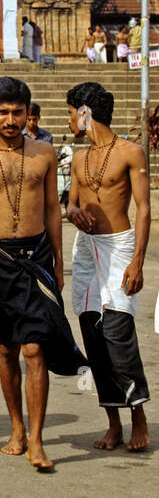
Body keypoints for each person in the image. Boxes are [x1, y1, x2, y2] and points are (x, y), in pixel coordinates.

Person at [0, 77, 85, 471]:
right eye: (3, 112)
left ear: (28, 113)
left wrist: (59, 263)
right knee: (6, 348)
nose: (10, 120)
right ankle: (16, 427)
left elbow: (52, 209)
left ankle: (37, 439)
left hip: (36, 256)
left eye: (17, 112)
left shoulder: (44, 153)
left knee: (35, 349)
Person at [66, 81, 150, 452]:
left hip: (119, 248)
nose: (69, 120)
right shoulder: (79, 158)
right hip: (86, 251)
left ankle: (139, 417)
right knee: (94, 336)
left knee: (118, 334)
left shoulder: (131, 152)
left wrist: (138, 261)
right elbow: (69, 204)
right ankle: (113, 423)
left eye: (72, 112)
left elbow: (144, 209)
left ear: (85, 112)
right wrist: (75, 214)